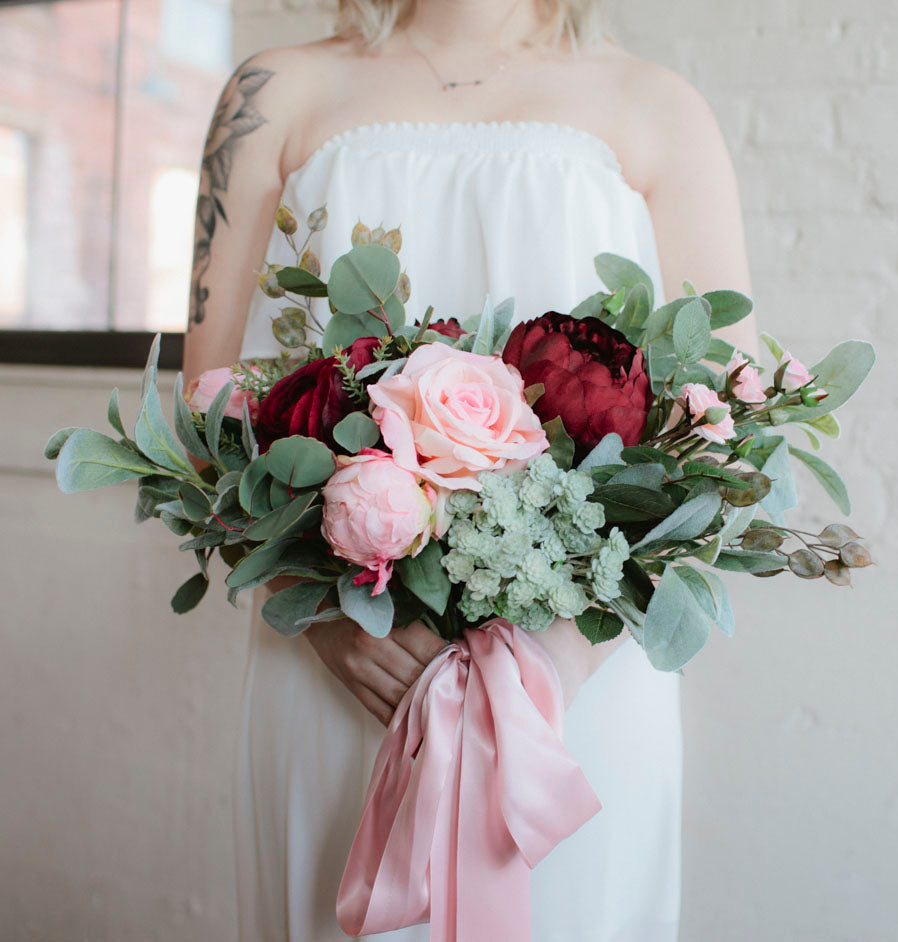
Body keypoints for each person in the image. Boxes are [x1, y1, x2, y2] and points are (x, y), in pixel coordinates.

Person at [182, 1, 758, 939]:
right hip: (343, 663)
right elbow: (206, 407)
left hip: (578, 681)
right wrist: (318, 612)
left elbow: (725, 426)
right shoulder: (273, 91)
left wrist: (563, 654)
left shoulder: (657, 105)